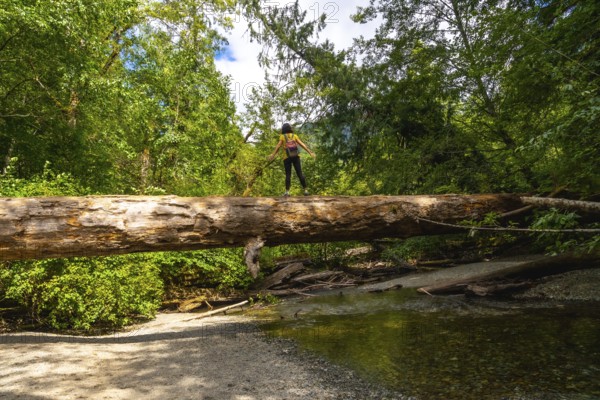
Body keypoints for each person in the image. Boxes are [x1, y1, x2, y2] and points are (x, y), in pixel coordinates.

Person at [268, 123, 316, 196]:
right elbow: (302, 144)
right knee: (300, 173)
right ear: (290, 128)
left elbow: (278, 146)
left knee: (288, 174)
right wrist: (310, 152)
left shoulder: (282, 137)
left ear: (283, 129)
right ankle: (306, 190)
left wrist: (273, 155)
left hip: (286, 158)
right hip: (296, 156)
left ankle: (287, 192)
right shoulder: (295, 136)